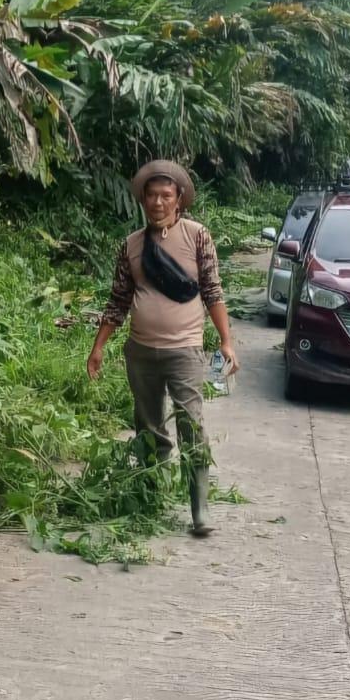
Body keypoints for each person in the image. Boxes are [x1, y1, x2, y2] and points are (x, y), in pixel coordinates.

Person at [86, 160, 240, 537]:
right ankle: (150, 495)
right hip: (141, 352)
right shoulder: (132, 245)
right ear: (142, 200)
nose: (157, 202)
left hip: (184, 350)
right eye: (151, 195)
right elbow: (119, 299)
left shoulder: (197, 236)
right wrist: (98, 347)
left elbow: (212, 290)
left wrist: (226, 340)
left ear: (179, 200)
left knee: (192, 424)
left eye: (165, 195)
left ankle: (199, 508)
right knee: (149, 427)